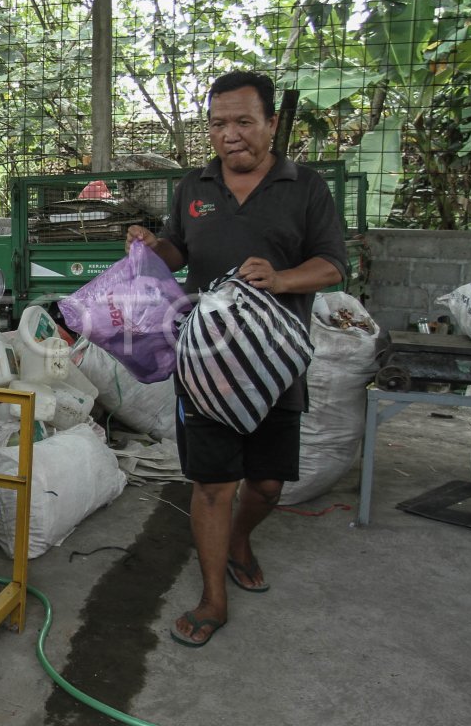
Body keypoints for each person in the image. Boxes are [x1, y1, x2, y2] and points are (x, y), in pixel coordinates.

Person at [126, 70, 347, 648]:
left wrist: (280, 278)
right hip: (207, 363)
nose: (231, 135)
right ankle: (212, 597)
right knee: (212, 484)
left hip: (275, 363)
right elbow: (178, 249)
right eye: (219, 123)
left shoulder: (306, 187)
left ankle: (241, 541)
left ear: (271, 124)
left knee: (268, 484)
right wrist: (154, 249)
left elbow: (333, 266)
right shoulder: (193, 186)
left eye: (244, 122)